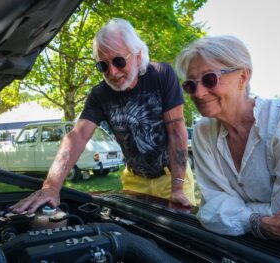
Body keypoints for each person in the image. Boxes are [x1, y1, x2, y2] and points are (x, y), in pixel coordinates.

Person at [11, 18, 196, 214]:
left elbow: (176, 131)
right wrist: (50, 187)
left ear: (138, 56)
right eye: (103, 66)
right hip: (134, 180)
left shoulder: (161, 74)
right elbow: (78, 137)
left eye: (119, 61)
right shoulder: (100, 94)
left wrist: (177, 188)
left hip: (172, 177)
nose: (113, 72)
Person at [175, 35, 280, 245]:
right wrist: (260, 222)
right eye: (190, 85)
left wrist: (235, 211)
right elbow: (212, 206)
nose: (199, 93)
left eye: (210, 79)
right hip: (247, 249)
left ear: (243, 77)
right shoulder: (203, 131)